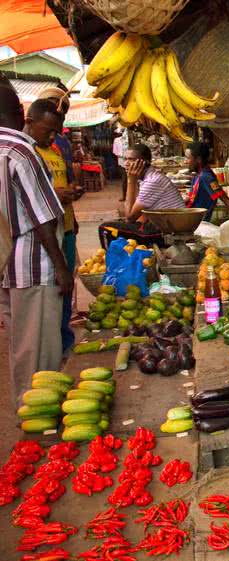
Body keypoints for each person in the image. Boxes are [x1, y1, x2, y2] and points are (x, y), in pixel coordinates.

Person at [0, 90, 73, 403]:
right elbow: (43, 218)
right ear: (20, 112)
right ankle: (36, 420)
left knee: (22, 343)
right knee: (39, 351)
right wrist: (61, 267)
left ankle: (28, 409)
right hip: (32, 265)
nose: (53, 136)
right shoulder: (21, 153)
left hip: (7, 265)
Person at [35, 89, 83, 354]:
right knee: (50, 289)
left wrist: (72, 199)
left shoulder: (57, 147)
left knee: (66, 285)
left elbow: (64, 180)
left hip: (64, 224)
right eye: (53, 109)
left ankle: (64, 341)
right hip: (43, 230)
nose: (57, 119)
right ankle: (51, 346)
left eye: (62, 112)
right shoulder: (27, 152)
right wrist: (56, 194)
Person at [98, 143, 184, 248]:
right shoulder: (148, 178)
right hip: (161, 227)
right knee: (120, 225)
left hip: (167, 233)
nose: (126, 163)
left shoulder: (153, 181)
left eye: (131, 159)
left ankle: (111, 262)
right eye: (126, 159)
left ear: (144, 162)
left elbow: (130, 217)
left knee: (105, 228)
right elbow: (136, 212)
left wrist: (131, 180)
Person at [185, 142, 229, 227]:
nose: (185, 161)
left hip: (196, 223)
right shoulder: (198, 174)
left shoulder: (206, 177)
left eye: (188, 158)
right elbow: (191, 197)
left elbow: (225, 200)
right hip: (189, 217)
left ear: (198, 159)